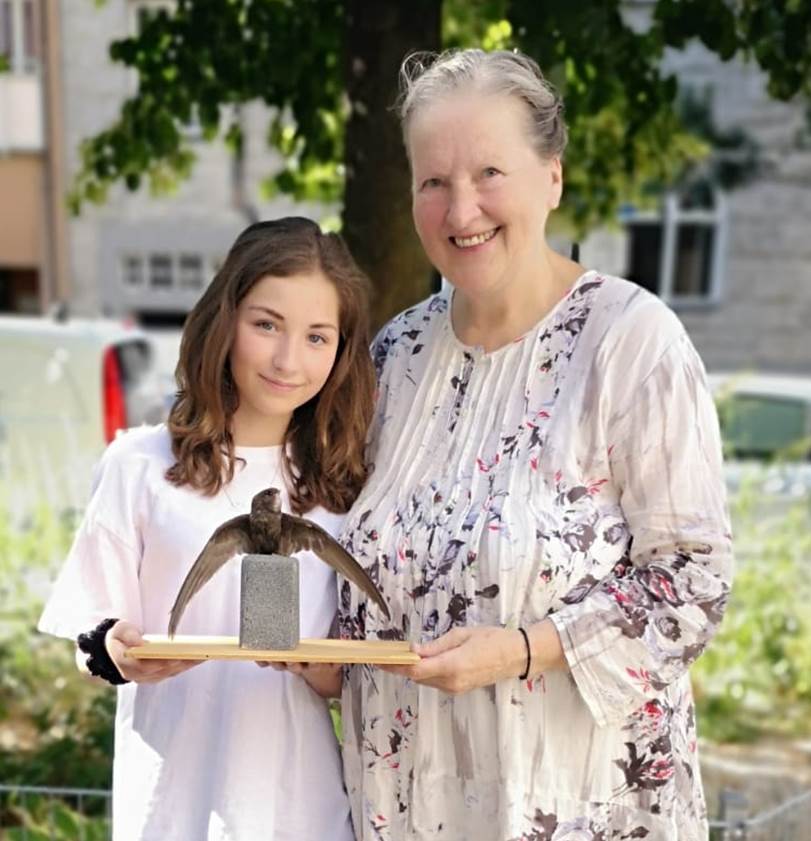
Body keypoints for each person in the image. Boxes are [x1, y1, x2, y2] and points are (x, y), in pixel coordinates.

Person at [337, 49, 733, 841]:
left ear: (551, 176)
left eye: (489, 172)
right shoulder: (391, 356)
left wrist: (523, 648)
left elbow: (693, 582)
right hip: (411, 808)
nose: (460, 211)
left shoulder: (630, 342)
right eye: (433, 182)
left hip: (581, 804)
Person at [38, 217, 375, 841]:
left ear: (342, 350)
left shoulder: (343, 489)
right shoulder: (139, 464)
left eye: (317, 337)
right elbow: (92, 634)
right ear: (226, 320)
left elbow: (345, 674)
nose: (287, 359)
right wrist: (118, 653)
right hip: (170, 802)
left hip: (299, 805)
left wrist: (312, 666)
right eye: (266, 324)